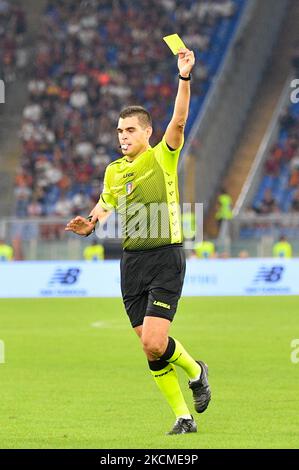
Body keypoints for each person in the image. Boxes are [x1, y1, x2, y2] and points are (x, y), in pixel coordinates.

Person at [65, 48, 211, 435]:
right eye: (119, 131)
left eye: (129, 130)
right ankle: (183, 416)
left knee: (154, 338)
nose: (122, 136)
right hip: (131, 263)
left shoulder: (163, 156)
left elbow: (179, 119)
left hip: (165, 257)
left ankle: (197, 372)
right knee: (149, 347)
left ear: (147, 132)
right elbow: (106, 202)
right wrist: (91, 223)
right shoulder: (114, 171)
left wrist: (184, 77)